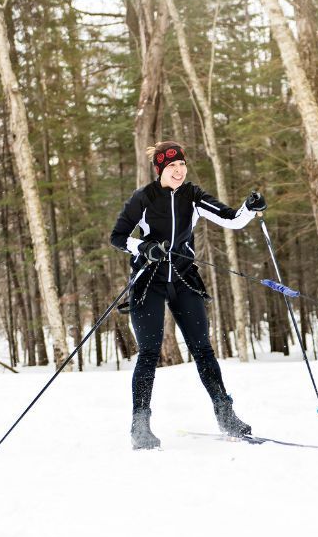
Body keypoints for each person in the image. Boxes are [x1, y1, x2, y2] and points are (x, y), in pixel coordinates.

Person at [110, 141, 267, 450]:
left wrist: (250, 208)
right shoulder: (143, 198)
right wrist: (144, 247)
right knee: (149, 353)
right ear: (160, 170)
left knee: (203, 349)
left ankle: (226, 416)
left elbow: (231, 219)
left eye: (181, 165)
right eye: (171, 167)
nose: (179, 171)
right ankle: (139, 425)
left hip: (184, 279)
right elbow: (118, 236)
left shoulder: (193, 196)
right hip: (149, 280)